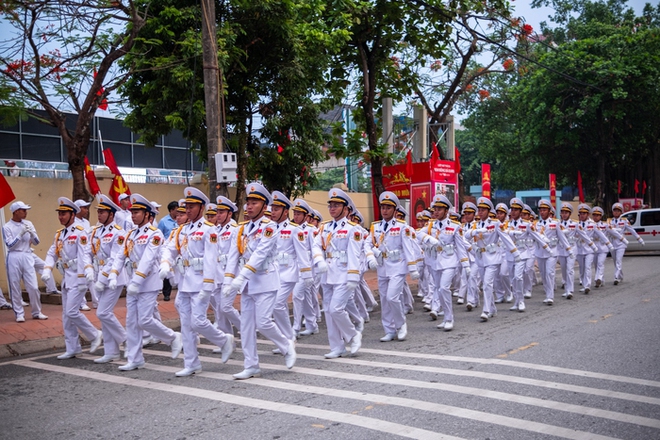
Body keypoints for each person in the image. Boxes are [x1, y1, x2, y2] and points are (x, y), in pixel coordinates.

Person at [223, 183, 297, 379]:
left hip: (265, 280)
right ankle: (251, 365)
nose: (249, 206)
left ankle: (286, 346)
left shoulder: (269, 227)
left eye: (254, 203)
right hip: (247, 284)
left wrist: (242, 276)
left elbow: (260, 254)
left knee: (263, 322)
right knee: (246, 326)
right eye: (248, 202)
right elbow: (233, 256)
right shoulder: (241, 229)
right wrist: (228, 281)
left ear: (264, 207)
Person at [159, 188, 235, 376]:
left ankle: (223, 340)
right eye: (186, 206)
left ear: (201, 208)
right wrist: (165, 263)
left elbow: (210, 259)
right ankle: (191, 363)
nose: (188, 210)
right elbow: (170, 248)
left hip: (201, 281)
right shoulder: (183, 230)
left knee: (198, 321)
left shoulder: (209, 229)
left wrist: (208, 286)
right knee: (186, 324)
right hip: (185, 281)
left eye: (192, 206)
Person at [109, 194, 183, 371]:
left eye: (137, 212)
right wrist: (113, 274)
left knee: (144, 320)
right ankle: (135, 359)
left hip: (148, 282)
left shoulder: (154, 234)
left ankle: (172, 337)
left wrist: (136, 281)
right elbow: (120, 256)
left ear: (147, 214)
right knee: (131, 322)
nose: (133, 215)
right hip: (133, 281)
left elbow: (148, 259)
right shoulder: (130, 234)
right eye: (132, 212)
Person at [42, 198, 102, 359]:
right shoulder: (59, 234)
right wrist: (47, 269)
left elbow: (84, 256)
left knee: (72, 311)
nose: (60, 217)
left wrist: (83, 279)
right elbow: (51, 253)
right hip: (67, 278)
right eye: (59, 214)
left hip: (78, 277)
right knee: (66, 315)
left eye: (64, 214)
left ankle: (94, 334)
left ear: (72, 215)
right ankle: (73, 347)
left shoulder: (80, 232)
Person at [313, 188, 363, 358]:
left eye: (336, 205)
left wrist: (354, 276)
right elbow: (315, 245)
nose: (332, 208)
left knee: (336, 309)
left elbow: (354, 254)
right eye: (331, 205)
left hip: (344, 273)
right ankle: (337, 346)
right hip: (327, 273)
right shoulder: (324, 227)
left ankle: (353, 335)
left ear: (346, 209)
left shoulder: (353, 229)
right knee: (328, 310)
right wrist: (319, 260)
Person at [416, 194, 469, 331]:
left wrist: (466, 264)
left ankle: (450, 319)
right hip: (434, 261)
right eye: (435, 209)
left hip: (449, 261)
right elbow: (418, 234)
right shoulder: (430, 225)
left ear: (446, 211)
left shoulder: (455, 226)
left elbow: (460, 247)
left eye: (439, 209)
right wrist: (428, 239)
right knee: (439, 289)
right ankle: (445, 317)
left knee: (444, 288)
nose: (436, 212)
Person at [465, 197, 520, 321]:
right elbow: (466, 236)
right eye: (479, 210)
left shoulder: (495, 224)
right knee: (486, 284)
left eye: (483, 210)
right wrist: (476, 231)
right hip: (480, 258)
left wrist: (515, 252)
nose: (480, 212)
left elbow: (505, 237)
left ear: (488, 211)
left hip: (493, 257)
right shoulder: (475, 224)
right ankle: (493, 309)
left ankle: (486, 310)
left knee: (487, 284)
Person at [269, 191, 313, 345]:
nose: (272, 212)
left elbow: (302, 253)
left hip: (288, 272)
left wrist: (307, 274)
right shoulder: (269, 228)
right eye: (272, 209)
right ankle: (286, 337)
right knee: (275, 306)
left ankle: (289, 334)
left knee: (278, 303)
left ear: (285, 211)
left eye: (276, 209)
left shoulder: (295, 229)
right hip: (272, 273)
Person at [89, 195, 128, 363]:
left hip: (114, 277)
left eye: (102, 212)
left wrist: (103, 278)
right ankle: (111, 351)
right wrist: (89, 270)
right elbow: (89, 252)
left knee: (103, 312)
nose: (99, 215)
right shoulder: (96, 231)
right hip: (99, 275)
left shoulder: (118, 233)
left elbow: (114, 258)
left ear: (111, 214)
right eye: (98, 212)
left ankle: (125, 339)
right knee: (104, 314)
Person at [2, 201, 48, 322]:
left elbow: (36, 242)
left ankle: (37, 311)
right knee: (15, 286)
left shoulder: (28, 223)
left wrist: (32, 233)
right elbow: (10, 245)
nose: (26, 212)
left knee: (33, 286)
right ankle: (19, 313)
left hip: (27, 255)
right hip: (14, 255)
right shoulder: (7, 227)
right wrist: (20, 234)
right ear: (16, 211)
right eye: (23, 210)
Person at [291, 198, 324, 337]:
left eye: (299, 214)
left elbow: (315, 249)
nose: (296, 216)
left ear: (306, 216)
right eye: (295, 213)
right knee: (306, 297)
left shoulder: (311, 230)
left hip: (308, 269)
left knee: (297, 296)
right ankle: (312, 324)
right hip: (294, 268)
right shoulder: (292, 229)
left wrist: (314, 269)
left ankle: (296, 327)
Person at [211, 196, 240, 338]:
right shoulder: (214, 230)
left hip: (230, 272)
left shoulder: (236, 229)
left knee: (226, 306)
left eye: (221, 212)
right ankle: (227, 338)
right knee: (219, 309)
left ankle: (245, 327)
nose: (218, 215)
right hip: (216, 273)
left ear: (230, 214)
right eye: (217, 212)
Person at [533, 199, 573, 304]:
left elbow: (562, 237)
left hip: (552, 251)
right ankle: (547, 292)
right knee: (543, 274)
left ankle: (550, 296)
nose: (542, 212)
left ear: (549, 211)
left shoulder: (555, 223)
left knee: (549, 273)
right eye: (541, 210)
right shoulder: (535, 225)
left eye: (544, 210)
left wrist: (569, 249)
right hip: (540, 252)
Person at [575, 204, 612, 294]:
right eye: (581, 213)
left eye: (584, 213)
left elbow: (601, 235)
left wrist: (609, 245)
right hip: (579, 249)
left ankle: (587, 286)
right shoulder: (576, 225)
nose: (582, 215)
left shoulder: (593, 225)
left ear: (588, 215)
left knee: (588, 267)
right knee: (582, 268)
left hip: (589, 249)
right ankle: (584, 284)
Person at [608, 202, 643, 285]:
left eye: (618, 211)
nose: (616, 212)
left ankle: (616, 277)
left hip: (621, 243)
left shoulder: (624, 221)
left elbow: (632, 230)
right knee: (615, 261)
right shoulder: (609, 221)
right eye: (615, 210)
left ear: (621, 212)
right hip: (612, 243)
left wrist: (639, 239)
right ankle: (620, 276)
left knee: (618, 260)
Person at [74, 199, 96, 310]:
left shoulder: (86, 222)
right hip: (77, 252)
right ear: (78, 209)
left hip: (87, 250)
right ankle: (81, 302)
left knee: (90, 277)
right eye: (84, 208)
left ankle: (96, 301)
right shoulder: (73, 221)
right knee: (80, 277)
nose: (86, 210)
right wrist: (88, 232)